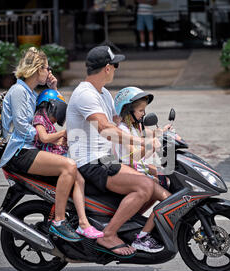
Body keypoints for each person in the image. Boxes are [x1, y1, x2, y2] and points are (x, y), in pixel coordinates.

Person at [66, 45, 169, 257]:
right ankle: (109, 234)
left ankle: (123, 225)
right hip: (91, 162)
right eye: (116, 65)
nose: (116, 69)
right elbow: (105, 128)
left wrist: (153, 134)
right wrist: (140, 143)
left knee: (153, 183)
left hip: (106, 159)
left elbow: (120, 124)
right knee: (144, 186)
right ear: (106, 68)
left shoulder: (102, 93)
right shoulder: (85, 94)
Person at [0, 47, 81, 242]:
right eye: (47, 68)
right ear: (37, 69)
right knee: (68, 166)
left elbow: (50, 116)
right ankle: (59, 221)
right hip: (20, 152)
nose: (49, 72)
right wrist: (51, 136)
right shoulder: (18, 91)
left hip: (32, 148)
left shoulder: (31, 93)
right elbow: (22, 129)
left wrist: (53, 89)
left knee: (77, 164)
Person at [33, 89, 104, 239]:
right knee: (80, 180)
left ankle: (84, 219)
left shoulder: (48, 122)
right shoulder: (39, 118)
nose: (57, 116)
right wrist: (64, 133)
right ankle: (83, 222)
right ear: (50, 106)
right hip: (53, 160)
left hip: (61, 155)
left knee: (83, 177)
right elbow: (44, 138)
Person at [113, 86, 174, 253]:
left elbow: (151, 134)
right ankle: (143, 237)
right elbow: (133, 157)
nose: (143, 114)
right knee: (169, 201)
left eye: (144, 110)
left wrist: (165, 133)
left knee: (166, 178)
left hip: (138, 170)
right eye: (140, 110)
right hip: (127, 172)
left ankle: (132, 221)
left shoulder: (134, 127)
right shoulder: (123, 130)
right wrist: (151, 146)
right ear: (127, 110)